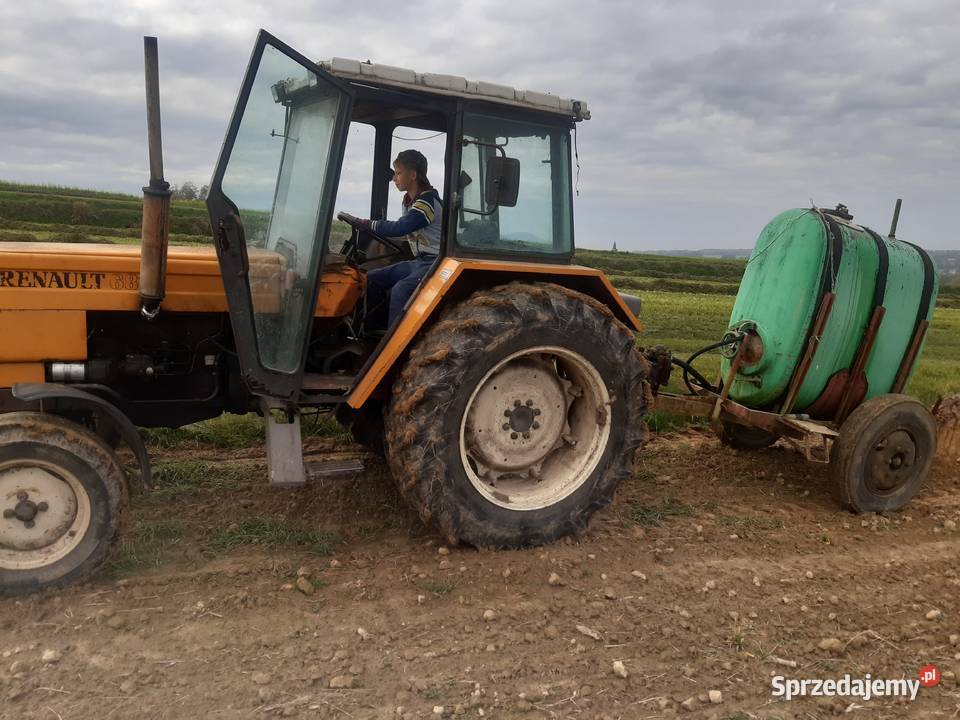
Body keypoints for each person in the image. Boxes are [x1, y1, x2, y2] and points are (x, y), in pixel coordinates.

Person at [355, 149, 442, 330]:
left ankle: (392, 343)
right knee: (371, 278)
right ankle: (369, 332)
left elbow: (402, 227)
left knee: (401, 289)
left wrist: (366, 224)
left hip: (436, 263)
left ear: (413, 175)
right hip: (419, 262)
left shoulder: (427, 202)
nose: (394, 178)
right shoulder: (409, 201)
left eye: (398, 173)